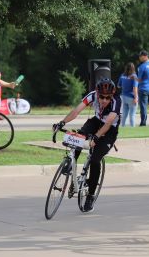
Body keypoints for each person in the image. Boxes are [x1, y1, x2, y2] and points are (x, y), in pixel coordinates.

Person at [52, 78, 121, 212]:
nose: (104, 100)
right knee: (79, 136)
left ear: (112, 96)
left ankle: (90, 195)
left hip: (110, 130)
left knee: (95, 160)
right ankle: (71, 163)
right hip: (95, 121)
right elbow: (76, 111)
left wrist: (96, 137)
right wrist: (62, 122)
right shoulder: (92, 95)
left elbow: (107, 124)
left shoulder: (117, 101)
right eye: (102, 97)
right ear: (97, 93)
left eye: (108, 98)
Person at [117, 62, 138, 127]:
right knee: (132, 114)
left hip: (123, 96)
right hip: (131, 97)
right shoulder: (134, 76)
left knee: (124, 114)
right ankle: (132, 128)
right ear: (133, 68)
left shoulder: (122, 75)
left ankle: (122, 127)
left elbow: (118, 86)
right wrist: (136, 97)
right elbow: (135, 88)